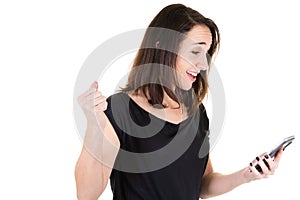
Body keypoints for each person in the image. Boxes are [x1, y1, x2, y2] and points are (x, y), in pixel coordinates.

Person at [75, 4, 283, 200]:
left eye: (206, 53)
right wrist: (95, 124)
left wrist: (246, 175)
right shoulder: (120, 110)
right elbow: (87, 194)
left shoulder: (196, 112)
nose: (202, 64)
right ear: (161, 47)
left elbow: (203, 184)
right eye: (195, 52)